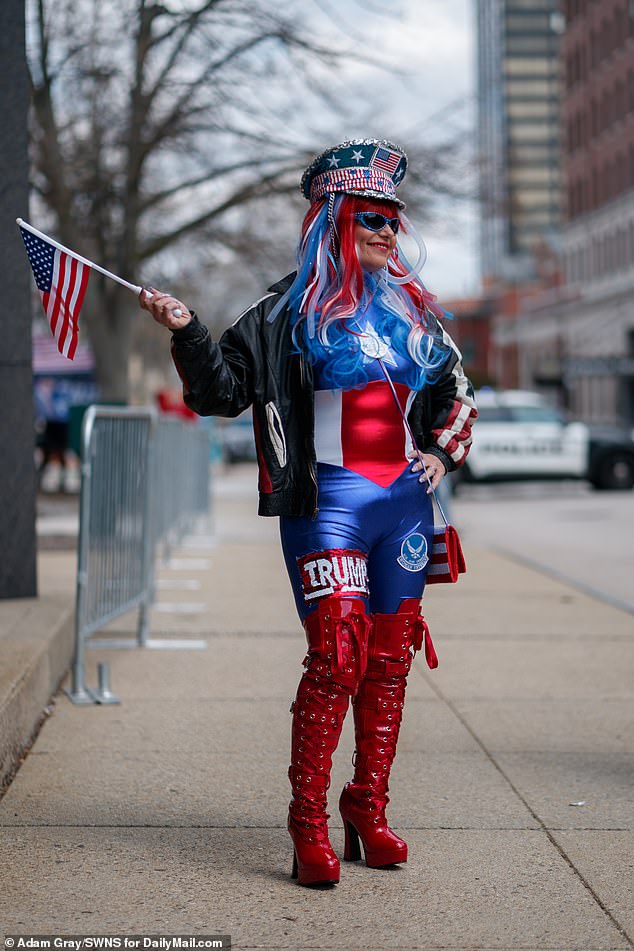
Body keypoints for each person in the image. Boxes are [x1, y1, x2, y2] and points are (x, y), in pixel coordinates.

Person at [140, 138, 477, 888]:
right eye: (371, 222)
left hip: (404, 507)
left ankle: (367, 806)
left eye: (394, 220)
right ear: (335, 224)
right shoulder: (284, 313)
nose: (390, 234)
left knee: (389, 663)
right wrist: (188, 331)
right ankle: (308, 826)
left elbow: (459, 392)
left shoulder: (415, 309)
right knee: (336, 655)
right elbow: (220, 393)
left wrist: (441, 453)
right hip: (328, 504)